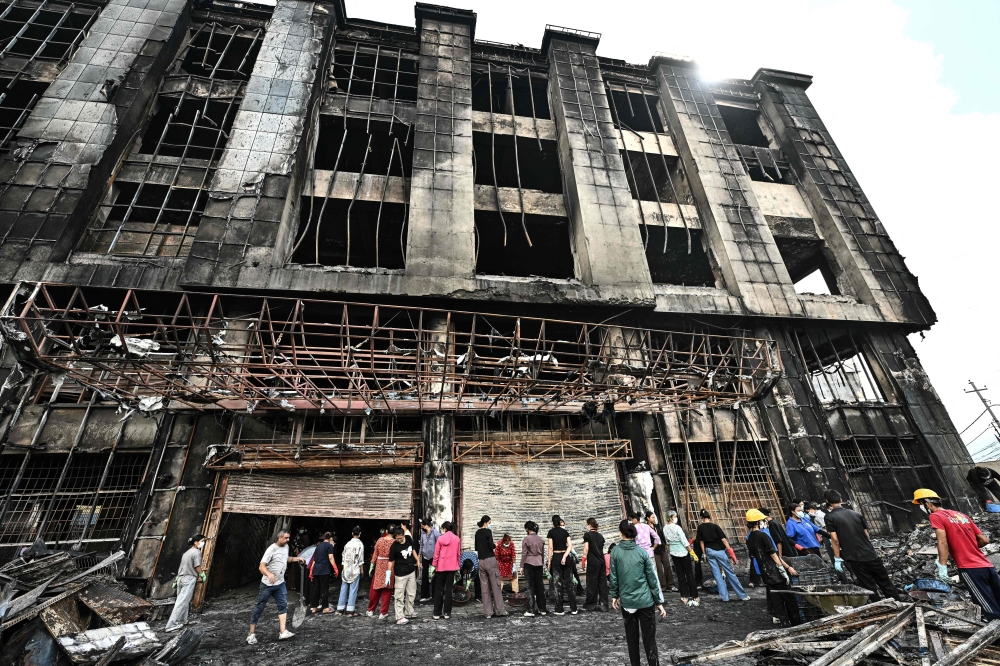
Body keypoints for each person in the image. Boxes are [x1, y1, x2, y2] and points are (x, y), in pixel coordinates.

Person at [915, 488, 1000, 621]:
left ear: (927, 503)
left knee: (987, 606)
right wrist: (967, 546)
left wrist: (942, 568)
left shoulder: (935, 516)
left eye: (920, 504)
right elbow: (984, 540)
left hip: (970, 568)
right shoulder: (961, 515)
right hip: (987, 566)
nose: (921, 507)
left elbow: (942, 543)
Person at [823, 490, 901, 600]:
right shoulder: (855, 514)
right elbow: (866, 534)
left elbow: (835, 540)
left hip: (855, 557)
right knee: (885, 582)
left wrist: (837, 558)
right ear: (841, 500)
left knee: (868, 586)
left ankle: (880, 608)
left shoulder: (829, 517)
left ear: (827, 501)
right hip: (870, 554)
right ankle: (899, 604)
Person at [609, 520, 667, 666]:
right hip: (646, 601)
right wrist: (658, 602)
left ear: (621, 533)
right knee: (649, 639)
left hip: (628, 602)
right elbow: (652, 579)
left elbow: (614, 577)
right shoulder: (642, 552)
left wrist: (615, 595)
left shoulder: (615, 551)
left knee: (632, 639)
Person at [247, 530, 305, 644]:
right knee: (259, 607)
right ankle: (251, 634)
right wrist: (268, 574)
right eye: (286, 538)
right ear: (279, 538)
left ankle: (282, 632)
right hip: (267, 585)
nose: (288, 540)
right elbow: (261, 566)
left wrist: (297, 559)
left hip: (280, 583)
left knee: (283, 605)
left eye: (289, 538)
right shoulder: (271, 549)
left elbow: (285, 558)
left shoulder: (286, 547)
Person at [746, 509, 801, 627]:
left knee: (777, 602)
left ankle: (785, 624)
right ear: (759, 522)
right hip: (775, 572)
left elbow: (753, 555)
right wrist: (786, 568)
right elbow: (773, 554)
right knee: (789, 599)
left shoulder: (749, 538)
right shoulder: (763, 535)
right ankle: (797, 624)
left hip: (765, 573)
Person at [695, 510, 749, 603]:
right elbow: (723, 540)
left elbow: (701, 542)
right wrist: (730, 551)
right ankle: (742, 595)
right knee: (729, 572)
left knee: (717, 575)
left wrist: (704, 553)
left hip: (709, 551)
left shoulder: (700, 527)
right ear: (709, 517)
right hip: (719, 551)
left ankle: (725, 597)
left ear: (701, 517)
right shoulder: (715, 526)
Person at [165, 534, 206, 632]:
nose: (203, 543)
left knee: (184, 601)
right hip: (189, 578)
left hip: (181, 578)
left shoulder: (187, 553)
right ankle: (170, 625)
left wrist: (177, 578)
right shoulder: (196, 552)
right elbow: (197, 566)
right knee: (182, 602)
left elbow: (182, 566)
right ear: (196, 542)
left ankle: (182, 620)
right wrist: (202, 574)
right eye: (202, 540)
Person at [662, 510, 699, 606]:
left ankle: (684, 596)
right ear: (670, 518)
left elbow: (667, 542)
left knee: (680, 574)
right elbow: (685, 542)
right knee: (689, 574)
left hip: (673, 552)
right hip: (683, 552)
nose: (676, 518)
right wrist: (692, 553)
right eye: (674, 516)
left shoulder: (665, 528)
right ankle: (694, 595)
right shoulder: (677, 528)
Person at [475, 515, 507, 618]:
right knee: (496, 586)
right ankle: (500, 610)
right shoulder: (488, 532)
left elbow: (476, 547)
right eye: (490, 522)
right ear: (487, 522)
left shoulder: (477, 533)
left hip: (481, 560)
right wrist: (496, 545)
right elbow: (491, 546)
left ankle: (488, 612)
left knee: (484, 587)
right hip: (490, 560)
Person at [388, 527, 420, 625]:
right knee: (399, 595)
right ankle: (399, 617)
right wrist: (388, 574)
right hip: (400, 574)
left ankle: (409, 611)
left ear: (403, 535)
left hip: (411, 571)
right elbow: (390, 561)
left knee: (411, 593)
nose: (399, 540)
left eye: (400, 538)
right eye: (397, 538)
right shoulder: (394, 546)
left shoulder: (409, 539)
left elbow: (413, 550)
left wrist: (417, 561)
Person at [547, 514, 578, 615]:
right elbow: (570, 546)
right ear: (560, 522)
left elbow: (550, 547)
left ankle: (559, 609)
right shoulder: (565, 532)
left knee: (557, 584)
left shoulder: (551, 532)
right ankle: (574, 609)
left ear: (552, 522)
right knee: (569, 583)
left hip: (556, 557)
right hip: (566, 557)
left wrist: (549, 561)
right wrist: (565, 556)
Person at [431, 521, 460, 620]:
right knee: (449, 590)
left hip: (441, 567)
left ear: (444, 529)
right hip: (452, 567)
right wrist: (458, 565)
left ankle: (436, 613)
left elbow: (436, 554)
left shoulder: (440, 538)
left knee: (439, 589)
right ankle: (447, 613)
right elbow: (458, 554)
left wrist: (434, 565)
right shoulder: (457, 539)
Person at [367, 524, 395, 619]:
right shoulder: (394, 542)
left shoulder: (380, 540)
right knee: (387, 590)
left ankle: (371, 610)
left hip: (379, 566)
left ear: (386, 531)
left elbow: (375, 554)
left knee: (375, 589)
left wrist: (372, 566)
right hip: (390, 566)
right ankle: (383, 613)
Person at [520, 521, 547, 617]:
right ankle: (542, 609)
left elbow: (524, 554)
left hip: (529, 563)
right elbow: (543, 554)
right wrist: (543, 565)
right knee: (540, 586)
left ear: (527, 529)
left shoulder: (526, 539)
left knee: (530, 587)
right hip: (539, 563)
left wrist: (521, 566)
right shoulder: (540, 539)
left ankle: (531, 609)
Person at [582, 517, 609, 611]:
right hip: (601, 561)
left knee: (591, 583)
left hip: (592, 562)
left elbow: (586, 548)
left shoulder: (587, 535)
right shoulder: (600, 536)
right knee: (602, 583)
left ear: (589, 525)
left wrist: (583, 559)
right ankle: (604, 604)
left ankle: (591, 603)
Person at [336, 526, 364, 615]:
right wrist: (362, 570)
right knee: (353, 589)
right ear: (360, 534)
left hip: (346, 569)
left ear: (352, 533)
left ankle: (340, 608)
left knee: (343, 587)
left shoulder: (347, 544)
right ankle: (350, 609)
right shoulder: (360, 544)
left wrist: (344, 566)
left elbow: (343, 556)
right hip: (355, 569)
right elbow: (360, 559)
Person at [308, 532, 338, 614]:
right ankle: (325, 607)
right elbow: (331, 557)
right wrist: (335, 569)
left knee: (316, 588)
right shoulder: (329, 546)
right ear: (330, 538)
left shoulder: (318, 546)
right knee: (324, 589)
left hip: (316, 570)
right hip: (324, 570)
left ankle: (314, 607)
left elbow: (314, 560)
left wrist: (311, 571)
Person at [647, 511, 675, 593]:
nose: (654, 518)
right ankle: (663, 585)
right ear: (648, 518)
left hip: (662, 548)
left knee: (667, 565)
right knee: (659, 568)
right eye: (652, 517)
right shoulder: (646, 527)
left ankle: (671, 584)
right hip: (654, 550)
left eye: (654, 517)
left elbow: (661, 535)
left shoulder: (656, 526)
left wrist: (665, 544)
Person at [418, 518, 440, 602]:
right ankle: (425, 595)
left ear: (425, 525)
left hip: (433, 557)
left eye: (422, 525)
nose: (422, 527)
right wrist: (419, 556)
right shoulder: (423, 534)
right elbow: (421, 546)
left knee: (434, 575)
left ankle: (435, 595)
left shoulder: (435, 532)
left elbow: (440, 543)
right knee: (424, 575)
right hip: (425, 557)